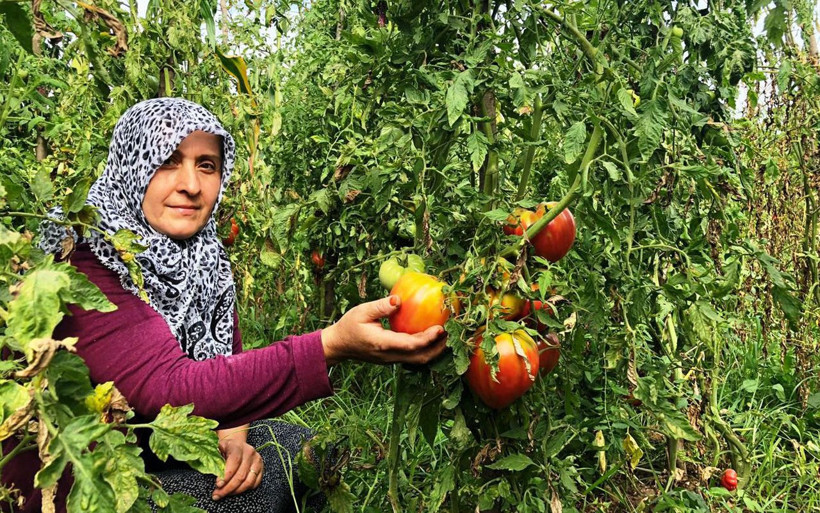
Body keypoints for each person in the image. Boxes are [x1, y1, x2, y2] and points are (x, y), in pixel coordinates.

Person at [2, 98, 447, 512]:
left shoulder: (205, 258)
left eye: (206, 165)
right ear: (131, 166)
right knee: (255, 494)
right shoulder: (84, 256)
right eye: (168, 161)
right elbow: (167, 389)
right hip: (82, 482)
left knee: (311, 452)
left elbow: (225, 360)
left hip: (156, 446)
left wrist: (233, 433)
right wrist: (330, 345)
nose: (191, 185)